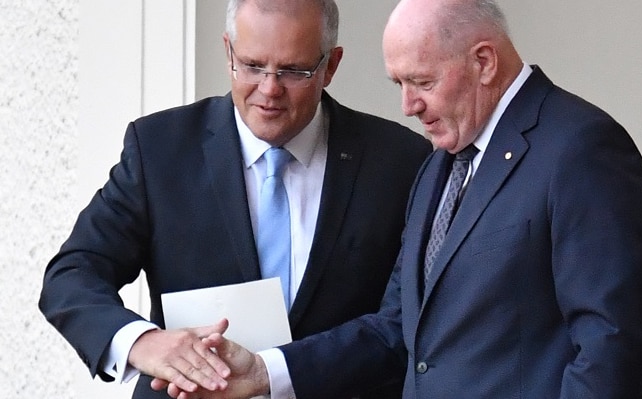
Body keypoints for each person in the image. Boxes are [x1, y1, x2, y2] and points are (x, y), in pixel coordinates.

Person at [155, 0, 642, 398]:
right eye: (399, 83)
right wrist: (265, 373)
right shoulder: (441, 164)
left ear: (484, 61)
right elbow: (398, 327)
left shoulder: (579, 148)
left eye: (421, 82)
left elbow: (610, 340)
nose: (407, 106)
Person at [38, 0, 432, 398]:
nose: (269, 88)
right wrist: (141, 343)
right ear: (228, 51)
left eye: (293, 70)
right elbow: (72, 275)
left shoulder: (400, 162)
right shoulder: (160, 149)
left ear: (330, 65)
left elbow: (404, 322)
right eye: (252, 65)